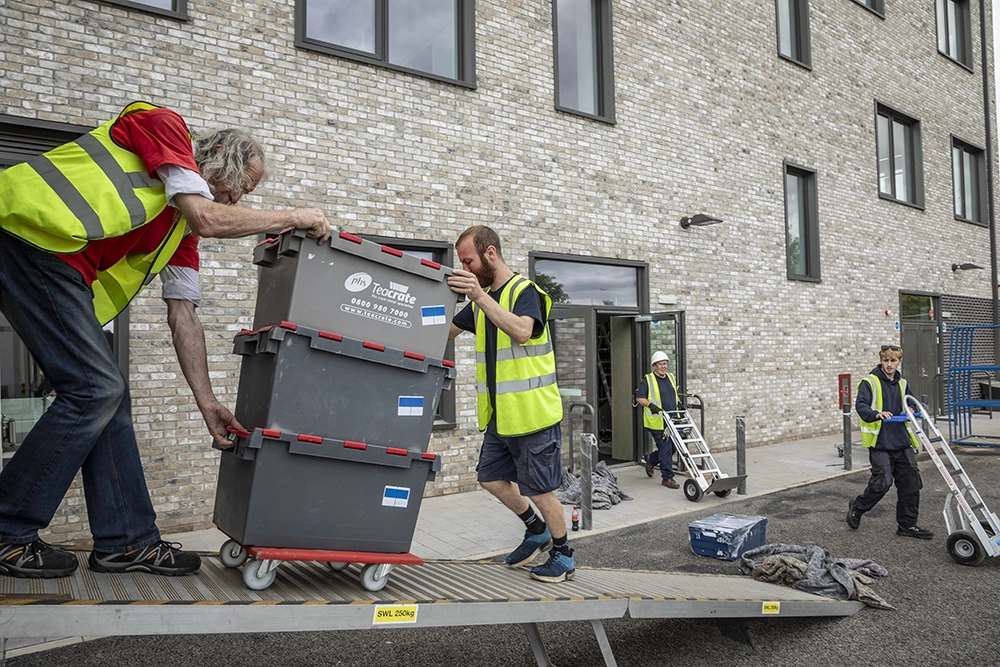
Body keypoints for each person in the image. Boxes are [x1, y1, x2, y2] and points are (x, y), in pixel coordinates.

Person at [0, 101, 331, 578]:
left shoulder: (178, 230)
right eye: (240, 188)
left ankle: (126, 542)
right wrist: (293, 215)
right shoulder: (162, 125)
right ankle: (8, 531)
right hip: (28, 236)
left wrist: (206, 401)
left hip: (55, 263)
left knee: (108, 399)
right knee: (96, 390)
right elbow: (210, 218)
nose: (237, 201)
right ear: (216, 156)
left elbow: (184, 315)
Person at [447, 225, 574, 583]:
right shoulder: (479, 301)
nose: (466, 269)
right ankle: (536, 530)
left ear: (490, 254)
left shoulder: (525, 292)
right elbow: (443, 331)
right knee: (490, 478)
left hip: (532, 415)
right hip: (501, 416)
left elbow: (521, 330)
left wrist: (479, 297)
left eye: (468, 261)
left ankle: (564, 556)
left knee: (540, 488)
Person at [846, 344, 933, 539]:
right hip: (880, 443)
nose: (889, 364)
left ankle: (908, 525)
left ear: (899, 361)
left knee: (911, 484)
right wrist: (876, 414)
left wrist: (909, 409)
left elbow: (911, 401)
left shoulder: (902, 383)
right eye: (885, 360)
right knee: (882, 483)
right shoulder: (870, 382)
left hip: (902, 441)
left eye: (893, 361)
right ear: (881, 360)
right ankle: (858, 507)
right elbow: (861, 405)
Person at [636, 351, 680, 488]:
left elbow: (673, 395)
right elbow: (639, 398)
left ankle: (651, 459)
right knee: (666, 447)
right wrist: (650, 405)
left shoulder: (671, 377)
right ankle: (667, 478)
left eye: (665, 364)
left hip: (671, 420)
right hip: (657, 422)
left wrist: (680, 403)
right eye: (660, 364)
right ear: (654, 366)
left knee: (673, 447)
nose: (663, 367)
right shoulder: (648, 380)